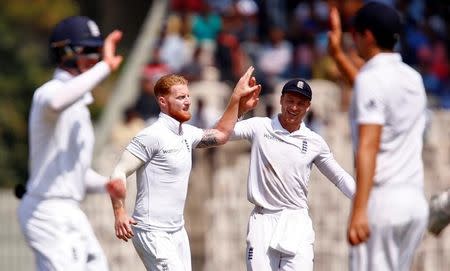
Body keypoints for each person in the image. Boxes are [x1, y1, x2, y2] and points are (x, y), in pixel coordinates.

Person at [106, 67, 261, 271]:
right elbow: (118, 173)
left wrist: (237, 105)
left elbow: (221, 135)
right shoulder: (151, 135)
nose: (187, 101)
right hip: (152, 231)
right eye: (180, 97)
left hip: (177, 231)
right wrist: (120, 213)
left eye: (188, 96)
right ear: (163, 101)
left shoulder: (187, 133)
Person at [17, 16, 123, 270]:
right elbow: (57, 101)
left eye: (98, 52)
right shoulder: (48, 93)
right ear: (65, 52)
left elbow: (74, 172)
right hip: (46, 209)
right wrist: (106, 67)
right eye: (88, 50)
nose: (94, 58)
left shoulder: (81, 107)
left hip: (70, 209)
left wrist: (105, 185)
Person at [329, 3, 429, 271]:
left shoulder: (371, 81)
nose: (354, 40)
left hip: (383, 204)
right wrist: (338, 56)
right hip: (414, 203)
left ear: (368, 36)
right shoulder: (413, 78)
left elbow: (368, 145)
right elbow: (373, 91)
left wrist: (360, 209)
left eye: (356, 34)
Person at [231, 78, 356, 271]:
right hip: (263, 219)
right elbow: (220, 134)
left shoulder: (314, 141)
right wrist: (237, 109)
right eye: (290, 101)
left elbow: (339, 177)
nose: (294, 107)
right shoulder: (259, 127)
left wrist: (365, 202)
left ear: (308, 106)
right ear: (281, 100)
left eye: (300, 103)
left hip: (296, 222)